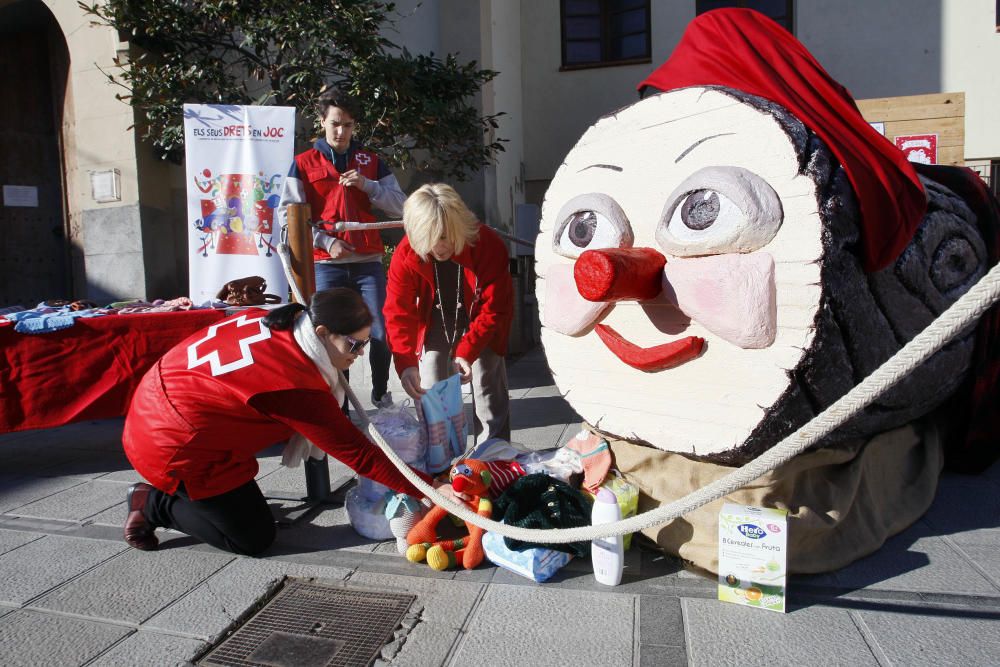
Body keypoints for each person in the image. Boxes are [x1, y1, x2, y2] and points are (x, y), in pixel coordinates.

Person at [121, 288, 435, 556]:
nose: (360, 354)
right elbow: (360, 456)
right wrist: (432, 488)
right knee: (253, 538)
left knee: (244, 513)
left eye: (365, 344)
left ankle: (204, 500)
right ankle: (153, 502)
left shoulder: (282, 321)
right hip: (173, 443)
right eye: (354, 345)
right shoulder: (292, 382)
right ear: (322, 333)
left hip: (167, 403)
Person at [278, 90, 405, 408]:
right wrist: (326, 241)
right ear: (321, 122)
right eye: (335, 124)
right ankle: (341, 405)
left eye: (348, 125)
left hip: (368, 262)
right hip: (325, 264)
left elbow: (402, 207)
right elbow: (286, 217)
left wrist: (368, 186)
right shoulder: (302, 164)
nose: (341, 132)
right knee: (330, 335)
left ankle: (380, 392)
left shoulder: (371, 161)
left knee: (382, 331)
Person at [384, 183, 514, 447]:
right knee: (429, 384)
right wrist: (405, 362)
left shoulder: (487, 244)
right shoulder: (407, 252)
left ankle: (493, 457)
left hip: (482, 319)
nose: (438, 246)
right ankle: (438, 462)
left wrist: (467, 351)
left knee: (486, 384)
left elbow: (494, 308)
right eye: (429, 238)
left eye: (444, 236)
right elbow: (398, 310)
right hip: (435, 316)